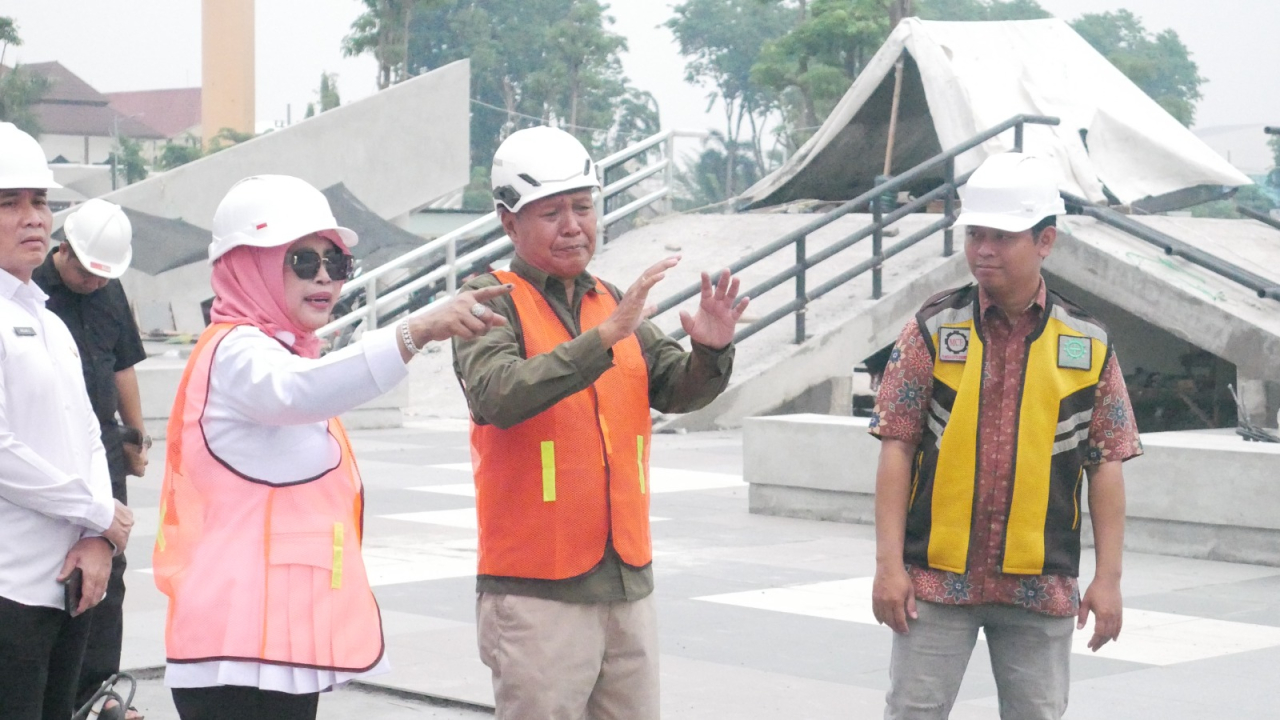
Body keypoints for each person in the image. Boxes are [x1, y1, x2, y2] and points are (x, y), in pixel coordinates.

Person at [152, 174, 511, 720]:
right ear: (247, 265)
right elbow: (296, 392)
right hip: (235, 647)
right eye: (302, 260)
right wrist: (416, 331)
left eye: (336, 263)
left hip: (274, 642)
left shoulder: (281, 351)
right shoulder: (236, 351)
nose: (325, 277)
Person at [453, 125, 749, 720]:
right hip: (537, 591)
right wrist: (602, 339)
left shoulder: (613, 301)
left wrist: (710, 353)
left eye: (583, 208)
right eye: (551, 212)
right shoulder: (487, 300)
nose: (573, 225)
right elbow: (497, 394)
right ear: (508, 222)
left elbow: (674, 386)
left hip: (626, 580)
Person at [868, 152, 1142, 719]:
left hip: (1040, 588)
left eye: (1001, 236)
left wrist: (1108, 580)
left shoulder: (1088, 342)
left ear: (1045, 241)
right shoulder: (931, 330)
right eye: (975, 234)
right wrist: (888, 567)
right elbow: (896, 446)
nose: (983, 249)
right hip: (935, 584)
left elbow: (1106, 463)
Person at [0, 122, 134, 720]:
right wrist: (96, 511)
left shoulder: (49, 321)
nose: (33, 217)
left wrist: (99, 536)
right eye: (10, 203)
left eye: (40, 201)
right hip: (8, 585)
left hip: (71, 580)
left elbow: (87, 432)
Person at [32, 198, 148, 720]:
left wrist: (135, 436)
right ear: (65, 249)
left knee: (109, 573)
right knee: (53, 567)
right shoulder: (28, 287)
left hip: (102, 449)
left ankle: (98, 694)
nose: (95, 282)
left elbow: (122, 365)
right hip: (47, 450)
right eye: (87, 272)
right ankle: (48, 691)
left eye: (106, 275)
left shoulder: (111, 291)